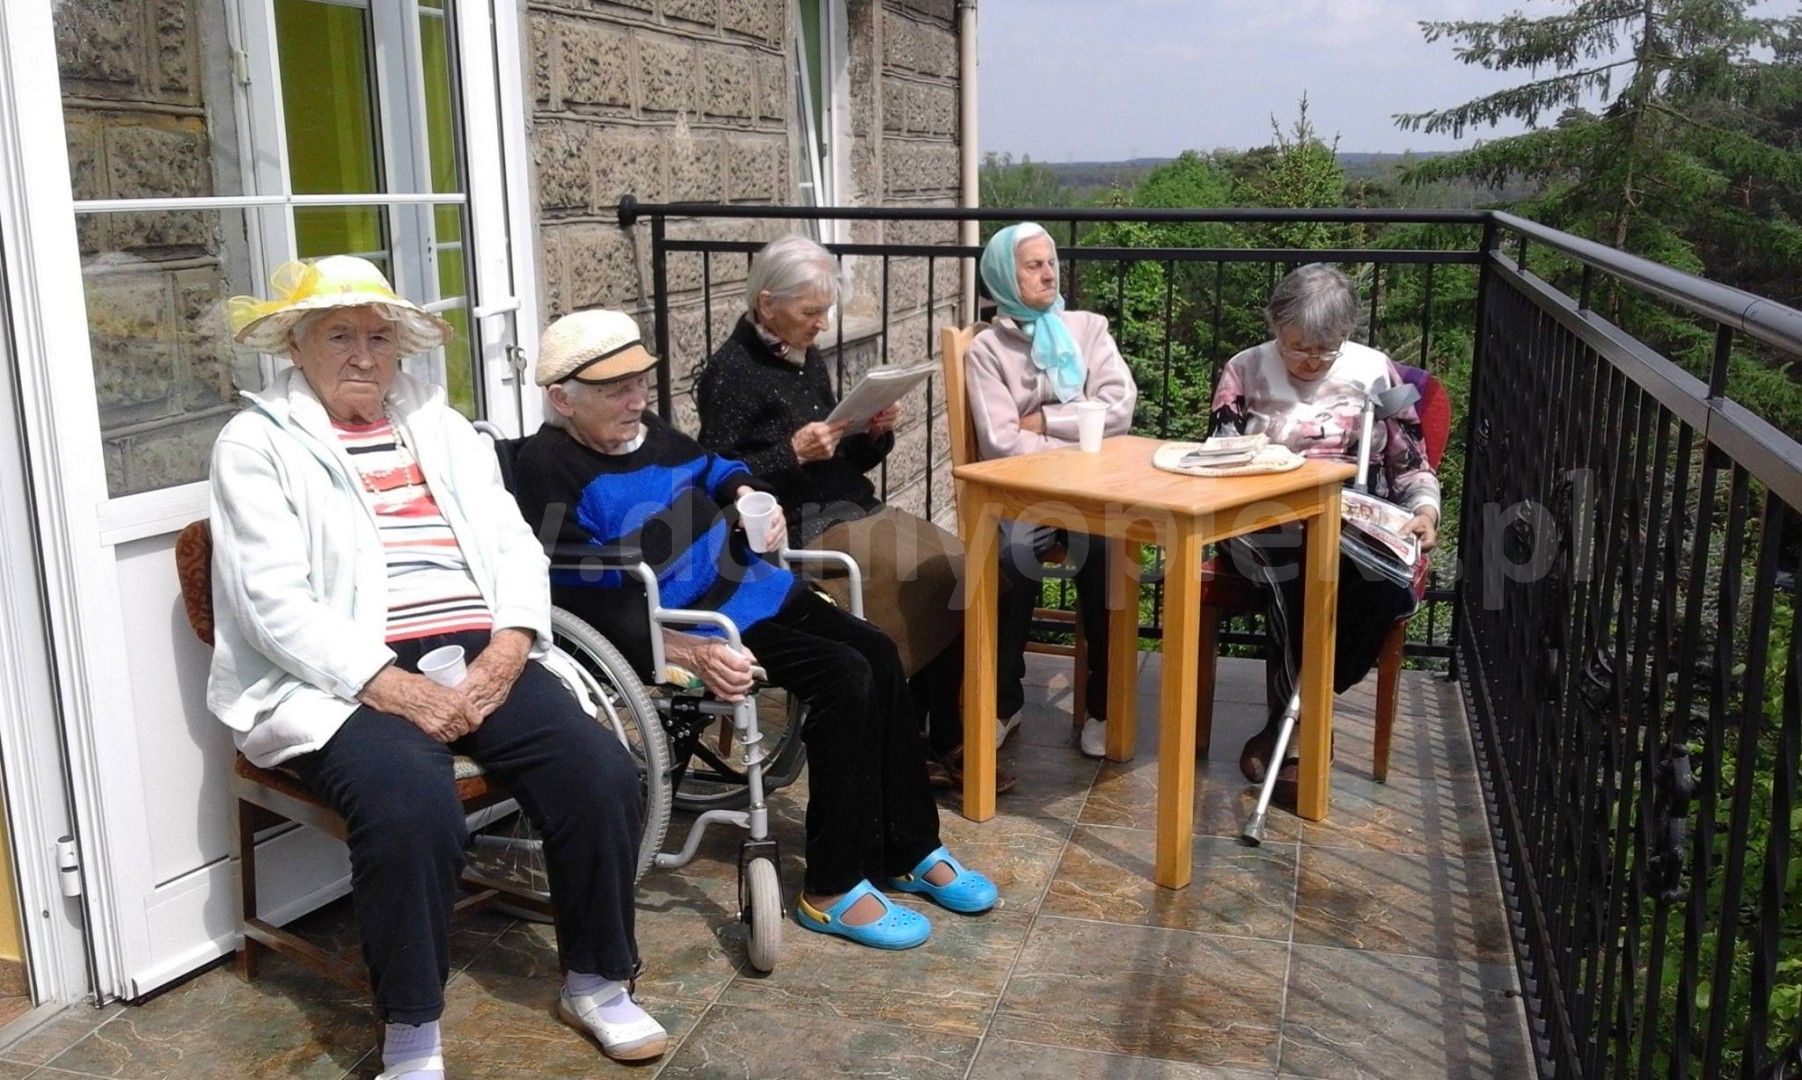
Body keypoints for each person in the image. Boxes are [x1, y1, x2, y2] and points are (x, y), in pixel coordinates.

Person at [208, 257, 665, 1078]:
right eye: (339, 336)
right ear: (296, 348)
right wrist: (391, 685)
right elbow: (270, 602)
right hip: (342, 673)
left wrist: (512, 644)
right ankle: (411, 1028)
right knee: (411, 805)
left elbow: (512, 544)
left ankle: (597, 980)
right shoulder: (255, 444)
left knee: (599, 771)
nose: (364, 355)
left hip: (478, 647)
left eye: (380, 337)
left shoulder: (440, 425)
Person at [511, 308, 998, 952]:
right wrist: (684, 648)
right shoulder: (549, 471)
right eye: (616, 390)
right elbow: (578, 596)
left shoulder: (646, 432)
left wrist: (744, 493)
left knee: (878, 651)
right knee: (844, 678)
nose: (637, 400)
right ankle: (831, 887)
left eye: (640, 383)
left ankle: (908, 847)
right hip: (699, 623)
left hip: (753, 585)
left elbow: (714, 466)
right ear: (562, 399)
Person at [694, 235, 1003, 790]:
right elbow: (716, 477)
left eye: (826, 311)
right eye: (810, 312)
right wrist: (792, 453)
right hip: (797, 524)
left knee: (962, 564)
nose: (822, 324)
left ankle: (941, 728)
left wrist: (873, 433)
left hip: (850, 504)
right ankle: (913, 734)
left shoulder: (804, 356)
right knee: (929, 575)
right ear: (767, 304)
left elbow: (841, 460)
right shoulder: (730, 372)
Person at [1211, 262, 1440, 800]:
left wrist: (1425, 511)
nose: (1311, 361)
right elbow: (1218, 458)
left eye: (1326, 349)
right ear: (1275, 326)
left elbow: (1411, 465)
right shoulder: (1244, 369)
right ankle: (1300, 735)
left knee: (1379, 581)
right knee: (1299, 567)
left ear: (1346, 335)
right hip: (1258, 517)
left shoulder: (1376, 372)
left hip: (1350, 519)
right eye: (1298, 347)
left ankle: (1295, 714)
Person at [964, 222, 1138, 758]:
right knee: (1011, 557)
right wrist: (1080, 428)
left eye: (1051, 263)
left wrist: (1043, 421)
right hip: (1024, 498)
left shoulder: (1088, 329)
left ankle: (1105, 707)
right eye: (1033, 265)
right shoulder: (988, 349)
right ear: (1003, 276)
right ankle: (1003, 702)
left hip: (1090, 494)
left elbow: (1120, 408)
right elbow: (1000, 443)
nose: (1048, 273)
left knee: (1110, 556)